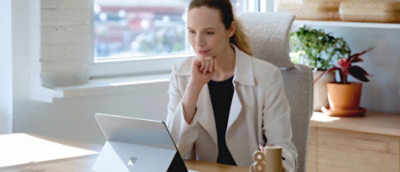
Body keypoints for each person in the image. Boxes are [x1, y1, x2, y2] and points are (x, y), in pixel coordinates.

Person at [165, 0, 298, 171]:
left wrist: (274, 163)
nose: (198, 43)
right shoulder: (180, 74)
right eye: (191, 32)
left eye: (209, 32)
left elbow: (284, 149)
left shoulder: (266, 76)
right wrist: (194, 87)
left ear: (230, 29)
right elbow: (172, 152)